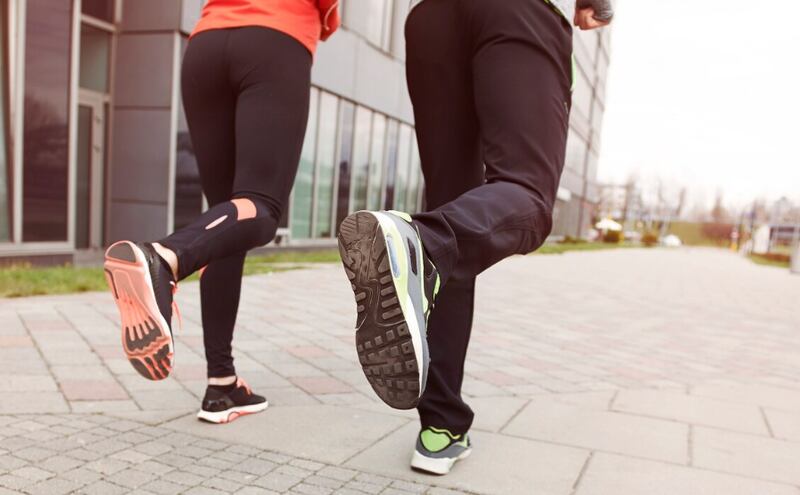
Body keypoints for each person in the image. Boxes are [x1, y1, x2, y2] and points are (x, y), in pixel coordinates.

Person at [337, 0, 612, 475]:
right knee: (526, 194)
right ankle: (414, 244)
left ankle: (441, 426)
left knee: (455, 221)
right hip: (516, 11)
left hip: (431, 18)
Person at [103, 0, 340, 424]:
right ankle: (163, 257)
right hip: (274, 41)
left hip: (206, 47)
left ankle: (221, 384)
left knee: (229, 220)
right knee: (262, 208)